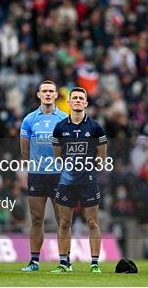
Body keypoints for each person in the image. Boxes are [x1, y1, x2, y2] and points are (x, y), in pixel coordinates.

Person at [51, 87, 108, 274]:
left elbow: (102, 155)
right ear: (69, 102)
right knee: (64, 223)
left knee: (92, 222)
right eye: (74, 98)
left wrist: (90, 170)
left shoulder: (95, 127)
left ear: (85, 103)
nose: (77, 100)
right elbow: (58, 155)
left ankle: (94, 264)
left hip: (88, 182)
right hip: (67, 182)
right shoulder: (60, 127)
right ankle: (64, 263)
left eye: (80, 98)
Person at [20, 81, 67, 271]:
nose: (47, 94)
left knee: (62, 220)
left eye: (51, 91)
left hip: (59, 175)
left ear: (56, 95)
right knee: (36, 219)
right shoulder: (29, 120)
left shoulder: (65, 119)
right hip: (37, 175)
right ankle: (34, 261)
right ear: (39, 95)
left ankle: (64, 261)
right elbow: (24, 151)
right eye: (44, 91)